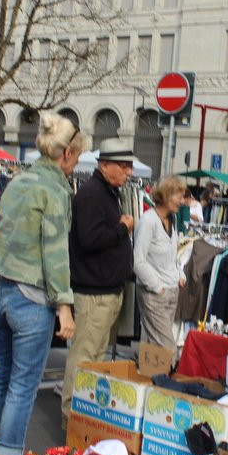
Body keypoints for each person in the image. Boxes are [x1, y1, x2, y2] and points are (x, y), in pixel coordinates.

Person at [0, 113, 86, 455]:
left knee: (4, 378)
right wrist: (65, 307)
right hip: (33, 296)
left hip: (4, 290)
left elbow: (0, 234)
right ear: (68, 154)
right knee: (23, 384)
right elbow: (55, 253)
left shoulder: (20, 180)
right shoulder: (55, 191)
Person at [60, 138, 137, 425]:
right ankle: (72, 421)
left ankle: (85, 418)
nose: (128, 172)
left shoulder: (107, 192)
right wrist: (122, 228)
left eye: (129, 166)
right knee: (84, 359)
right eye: (124, 166)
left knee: (95, 360)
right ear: (105, 166)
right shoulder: (92, 194)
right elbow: (90, 239)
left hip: (106, 291)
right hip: (93, 294)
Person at [134, 176, 187, 354]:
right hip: (155, 293)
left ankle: (151, 379)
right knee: (166, 348)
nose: (182, 201)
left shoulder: (173, 220)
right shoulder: (148, 221)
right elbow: (137, 260)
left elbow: (173, 255)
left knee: (153, 347)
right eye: (178, 196)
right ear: (166, 195)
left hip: (171, 290)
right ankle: (164, 380)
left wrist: (180, 274)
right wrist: (157, 286)